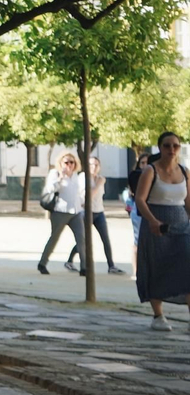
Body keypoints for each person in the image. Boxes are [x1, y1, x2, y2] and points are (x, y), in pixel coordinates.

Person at [135, 131, 190, 331]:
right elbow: (140, 199)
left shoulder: (184, 172)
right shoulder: (151, 170)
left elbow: (188, 201)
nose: (171, 149)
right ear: (160, 148)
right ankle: (158, 315)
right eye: (167, 145)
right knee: (157, 266)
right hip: (156, 222)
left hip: (181, 223)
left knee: (186, 266)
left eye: (175, 145)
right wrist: (152, 221)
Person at [66, 154, 124, 275]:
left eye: (96, 165)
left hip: (99, 212)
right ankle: (70, 261)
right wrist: (98, 184)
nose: (94, 167)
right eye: (91, 164)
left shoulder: (100, 178)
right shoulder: (83, 178)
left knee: (105, 239)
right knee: (84, 240)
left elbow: (99, 198)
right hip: (86, 212)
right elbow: (87, 197)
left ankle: (111, 265)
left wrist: (99, 183)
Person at [37, 152, 85, 275]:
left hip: (76, 212)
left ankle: (84, 268)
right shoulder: (55, 173)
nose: (69, 165)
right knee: (54, 238)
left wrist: (82, 203)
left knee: (81, 239)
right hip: (60, 211)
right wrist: (61, 178)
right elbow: (50, 189)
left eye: (72, 162)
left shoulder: (75, 175)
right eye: (66, 162)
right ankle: (42, 263)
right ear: (60, 163)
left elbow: (77, 193)